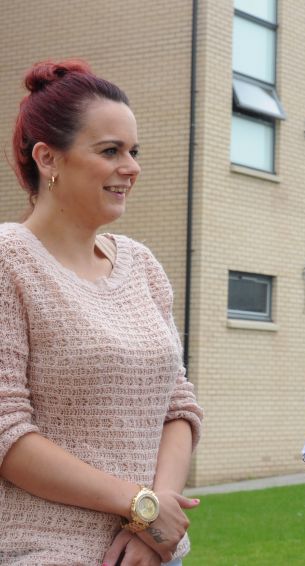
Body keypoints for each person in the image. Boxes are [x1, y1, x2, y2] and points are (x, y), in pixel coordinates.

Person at [0, 59, 204, 566]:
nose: (131, 167)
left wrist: (153, 527)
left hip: (154, 554)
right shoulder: (8, 262)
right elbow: (7, 433)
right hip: (41, 550)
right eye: (110, 151)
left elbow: (178, 407)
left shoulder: (142, 266)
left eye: (133, 151)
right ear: (48, 158)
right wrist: (140, 505)